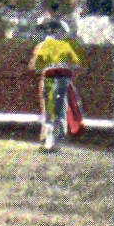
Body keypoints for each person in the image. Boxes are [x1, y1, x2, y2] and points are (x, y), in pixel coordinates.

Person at [29, 20, 87, 152]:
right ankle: (55, 141)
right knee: (60, 110)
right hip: (63, 78)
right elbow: (78, 66)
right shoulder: (66, 46)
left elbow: (35, 67)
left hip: (49, 77)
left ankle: (49, 140)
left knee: (49, 109)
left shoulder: (42, 46)